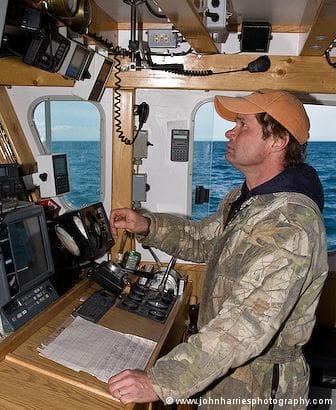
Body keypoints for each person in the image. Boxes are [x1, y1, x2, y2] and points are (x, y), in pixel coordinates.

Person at [107, 89, 329, 408]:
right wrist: (148, 226)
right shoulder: (249, 198)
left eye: (242, 124)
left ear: (278, 140)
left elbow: (246, 325)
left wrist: (162, 381)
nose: (230, 131)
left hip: (260, 388)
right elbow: (202, 241)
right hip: (227, 371)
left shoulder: (287, 223)